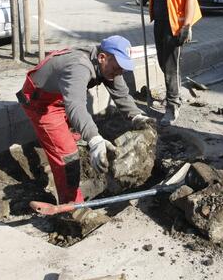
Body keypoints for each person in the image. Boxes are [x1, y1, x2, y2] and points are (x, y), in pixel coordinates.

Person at [17, 36, 156, 204]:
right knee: (67, 156)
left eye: (123, 68)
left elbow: (121, 94)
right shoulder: (79, 67)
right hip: (42, 104)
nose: (120, 72)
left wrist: (136, 116)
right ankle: (72, 206)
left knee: (78, 136)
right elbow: (75, 106)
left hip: (63, 97)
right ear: (102, 57)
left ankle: (74, 162)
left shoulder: (108, 65)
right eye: (118, 67)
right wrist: (95, 139)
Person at [133, 0, 202, 126]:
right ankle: (175, 95)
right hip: (160, 23)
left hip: (175, 26)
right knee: (164, 63)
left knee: (171, 67)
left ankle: (172, 107)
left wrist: (186, 27)